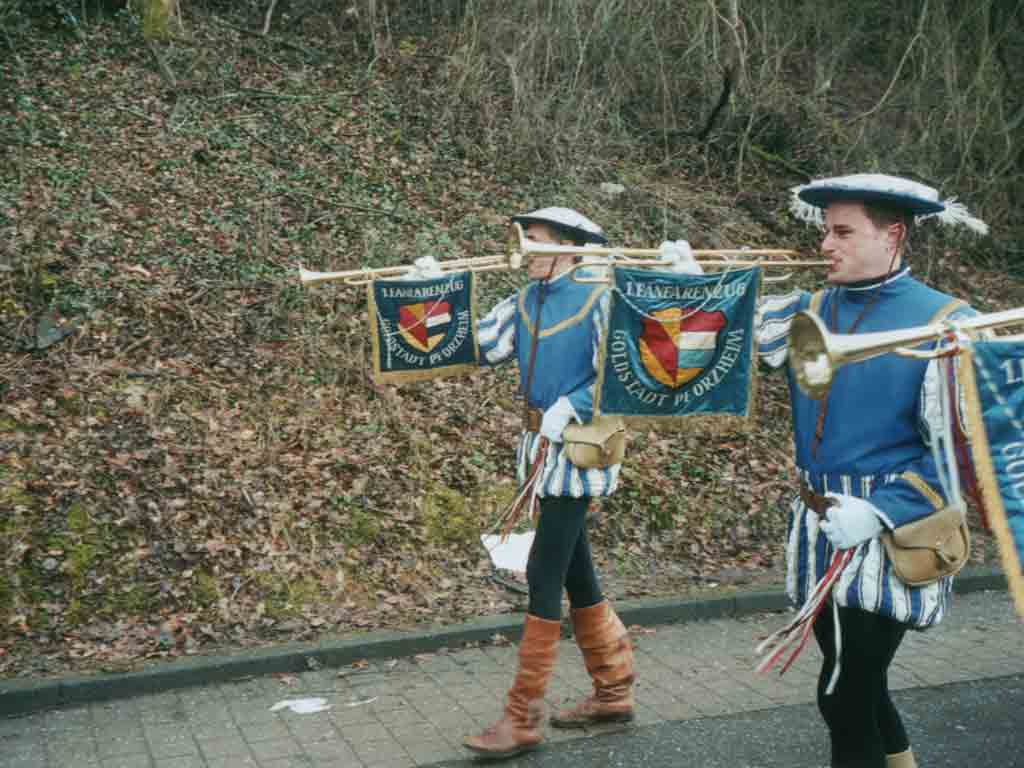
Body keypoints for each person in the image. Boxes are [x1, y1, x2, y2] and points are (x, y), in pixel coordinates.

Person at [757, 174, 987, 768]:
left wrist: (881, 511)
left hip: (892, 529)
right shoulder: (809, 309)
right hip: (820, 523)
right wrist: (689, 288)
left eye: (843, 232)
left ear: (893, 235)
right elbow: (728, 345)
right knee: (859, 681)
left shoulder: (948, 322)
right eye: (825, 231)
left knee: (844, 695)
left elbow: (963, 456)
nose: (825, 245)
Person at [458, 206, 697, 758]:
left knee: (544, 570)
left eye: (534, 239)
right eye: (524, 238)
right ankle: (614, 689)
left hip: (579, 449)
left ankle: (522, 716)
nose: (524, 249)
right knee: (576, 571)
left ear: (568, 246)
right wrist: (427, 294)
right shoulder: (525, 299)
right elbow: (476, 346)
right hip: (539, 448)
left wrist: (572, 404)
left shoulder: (599, 296)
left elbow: (630, 370)